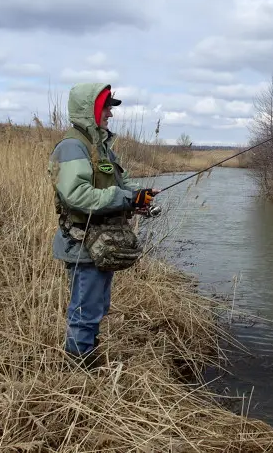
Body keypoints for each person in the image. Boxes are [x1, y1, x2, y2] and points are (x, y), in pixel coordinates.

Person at [47, 82, 159, 369]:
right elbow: (76, 195)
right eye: (106, 107)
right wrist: (125, 197)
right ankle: (77, 367)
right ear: (90, 110)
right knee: (86, 309)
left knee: (96, 306)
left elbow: (120, 183)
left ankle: (85, 356)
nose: (110, 113)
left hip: (99, 243)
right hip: (83, 242)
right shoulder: (73, 146)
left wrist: (139, 196)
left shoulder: (100, 148)